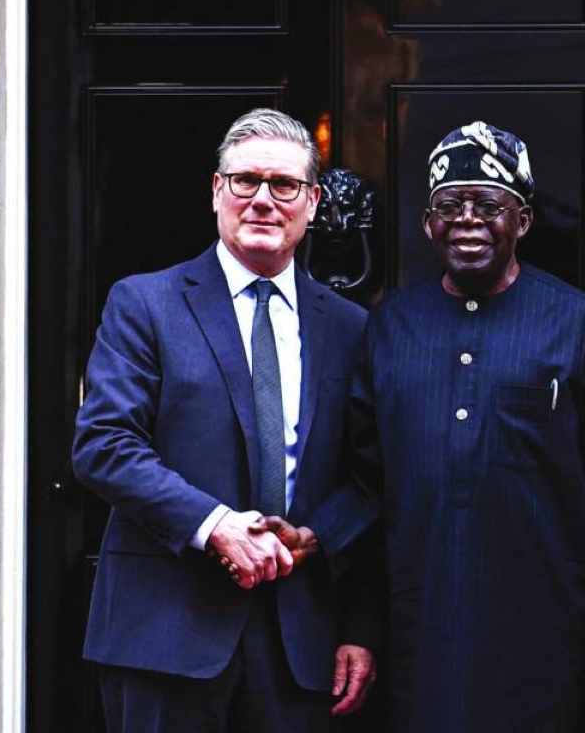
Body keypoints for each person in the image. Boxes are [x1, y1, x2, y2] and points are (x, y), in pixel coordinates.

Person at [295, 121, 585, 731]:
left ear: (523, 221)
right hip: (421, 634)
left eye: (488, 204)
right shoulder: (391, 327)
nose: (467, 218)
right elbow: (366, 485)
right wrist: (317, 545)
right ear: (427, 225)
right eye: (448, 205)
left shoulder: (576, 325)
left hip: (547, 639)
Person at [73, 108, 378, 732]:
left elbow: (373, 477)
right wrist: (214, 526)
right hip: (165, 634)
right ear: (217, 191)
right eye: (245, 181)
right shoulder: (145, 304)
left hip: (301, 642)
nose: (263, 199)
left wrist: (321, 549)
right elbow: (104, 444)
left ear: (313, 203)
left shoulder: (350, 329)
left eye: (285, 185)